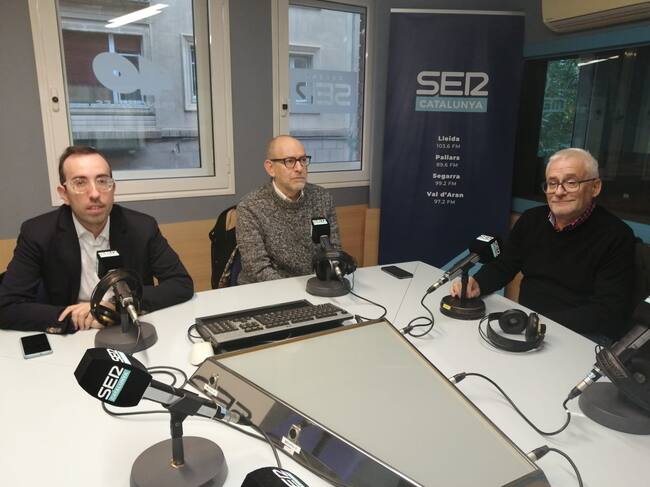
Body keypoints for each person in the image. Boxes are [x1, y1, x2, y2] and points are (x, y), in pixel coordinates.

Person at [0, 146, 194, 333]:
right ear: (64, 194)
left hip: (130, 327)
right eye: (80, 183)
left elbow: (181, 284)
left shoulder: (142, 227)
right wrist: (72, 318)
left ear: (113, 188)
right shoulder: (38, 233)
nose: (94, 193)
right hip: (74, 334)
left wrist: (115, 306)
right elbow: (6, 306)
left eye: (102, 181)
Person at [450, 148, 635, 341]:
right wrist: (478, 283)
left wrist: (538, 322)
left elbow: (608, 310)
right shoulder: (531, 220)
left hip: (582, 335)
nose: (559, 192)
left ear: (595, 187)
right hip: (528, 325)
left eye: (571, 183)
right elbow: (505, 265)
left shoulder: (617, 235)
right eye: (552, 183)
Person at [236, 135, 341, 284]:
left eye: (303, 160)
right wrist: (298, 291)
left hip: (314, 284)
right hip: (267, 289)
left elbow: (333, 251)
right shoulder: (250, 206)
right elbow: (257, 269)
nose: (299, 168)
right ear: (270, 168)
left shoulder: (323, 198)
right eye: (290, 161)